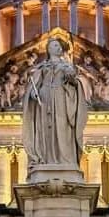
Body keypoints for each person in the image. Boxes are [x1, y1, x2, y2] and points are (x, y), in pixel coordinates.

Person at [22, 36, 88, 170]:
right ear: (48, 49)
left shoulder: (68, 66)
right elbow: (34, 84)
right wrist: (33, 93)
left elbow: (75, 83)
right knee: (45, 129)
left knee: (62, 127)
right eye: (54, 46)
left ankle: (66, 159)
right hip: (45, 99)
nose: (58, 48)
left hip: (61, 99)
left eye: (59, 46)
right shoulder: (41, 67)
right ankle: (45, 158)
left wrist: (72, 79)